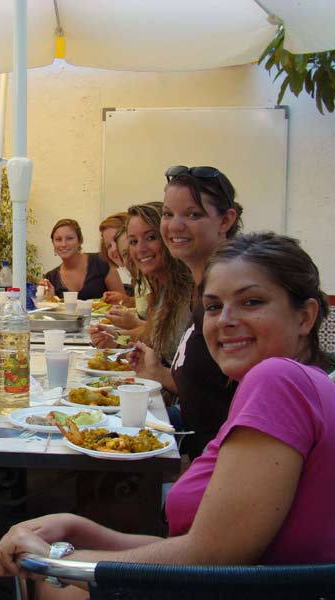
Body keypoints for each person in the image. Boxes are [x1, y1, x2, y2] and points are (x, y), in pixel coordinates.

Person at [0, 233, 335, 596]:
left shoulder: (277, 381)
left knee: (39, 584)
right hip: (233, 581)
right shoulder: (295, 383)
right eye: (213, 307)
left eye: (251, 302)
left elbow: (209, 558)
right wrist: (81, 529)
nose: (225, 320)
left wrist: (59, 563)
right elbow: (203, 547)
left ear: (305, 316)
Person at [131, 166, 243, 459]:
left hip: (218, 460)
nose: (175, 226)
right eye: (168, 214)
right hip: (194, 449)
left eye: (193, 214)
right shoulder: (201, 291)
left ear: (226, 220)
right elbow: (206, 388)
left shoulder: (231, 296)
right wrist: (155, 371)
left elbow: (236, 401)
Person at [91, 203, 193, 365]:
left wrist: (119, 340)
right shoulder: (161, 289)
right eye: (133, 242)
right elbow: (149, 337)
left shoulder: (192, 293)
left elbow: (194, 380)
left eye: (151, 237)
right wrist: (116, 339)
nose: (140, 249)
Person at [39, 219, 125, 300]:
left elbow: (123, 301)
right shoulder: (51, 278)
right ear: (53, 243)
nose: (63, 244)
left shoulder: (101, 261)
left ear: (80, 241)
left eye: (70, 238)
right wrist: (50, 299)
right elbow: (50, 311)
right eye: (58, 239)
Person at [98, 212, 134, 303]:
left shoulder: (151, 274)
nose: (113, 249)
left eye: (117, 239)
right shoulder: (137, 277)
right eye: (108, 246)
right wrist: (126, 300)